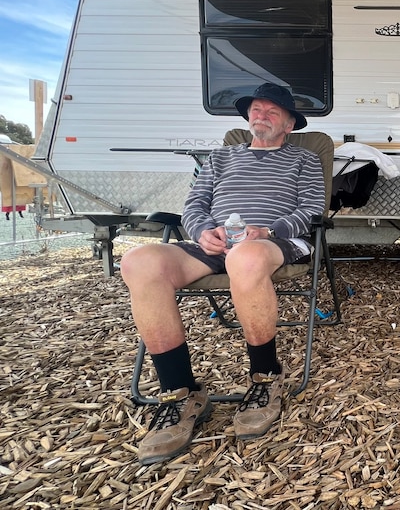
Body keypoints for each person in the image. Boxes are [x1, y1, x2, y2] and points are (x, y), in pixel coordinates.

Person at [121, 83, 326, 465]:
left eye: (272, 112)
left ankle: (266, 377)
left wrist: (267, 230)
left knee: (245, 259)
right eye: (256, 110)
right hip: (213, 246)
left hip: (272, 243)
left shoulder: (303, 160)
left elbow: (313, 209)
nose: (261, 116)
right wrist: (202, 231)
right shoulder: (220, 158)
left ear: (288, 126)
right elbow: (194, 205)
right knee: (139, 261)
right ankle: (179, 394)